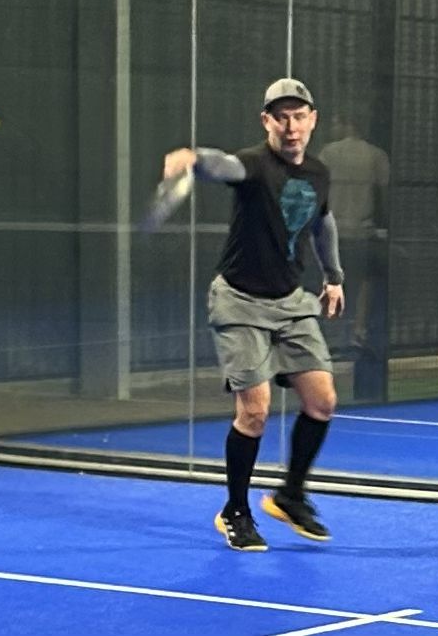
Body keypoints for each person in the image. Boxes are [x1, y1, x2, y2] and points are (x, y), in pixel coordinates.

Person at [162, 78, 345, 552]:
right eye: (281, 117)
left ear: (312, 120)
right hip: (239, 300)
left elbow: (322, 220)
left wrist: (334, 276)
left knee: (322, 401)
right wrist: (194, 158)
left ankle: (289, 496)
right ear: (267, 122)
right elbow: (221, 165)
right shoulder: (253, 165)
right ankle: (235, 511)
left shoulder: (319, 173)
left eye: (299, 116)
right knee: (255, 410)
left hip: (291, 302)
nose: (291, 126)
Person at [319, 116, 390, 398]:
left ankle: (332, 335)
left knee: (332, 281)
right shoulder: (376, 155)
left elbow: (316, 189)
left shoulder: (328, 153)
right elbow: (384, 193)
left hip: (333, 232)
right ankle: (356, 332)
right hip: (361, 232)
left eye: (336, 122)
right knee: (363, 283)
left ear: (346, 124)